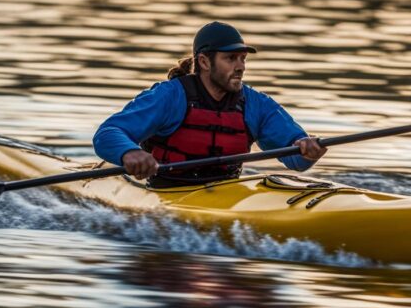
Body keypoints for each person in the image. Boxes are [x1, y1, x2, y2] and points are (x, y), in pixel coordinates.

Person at [92, 21, 326, 187]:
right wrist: (129, 152)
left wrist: (308, 149)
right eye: (231, 58)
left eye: (243, 59)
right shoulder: (169, 96)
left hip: (226, 192)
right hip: (166, 188)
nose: (241, 66)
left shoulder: (257, 105)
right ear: (204, 61)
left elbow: (297, 160)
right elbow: (108, 133)